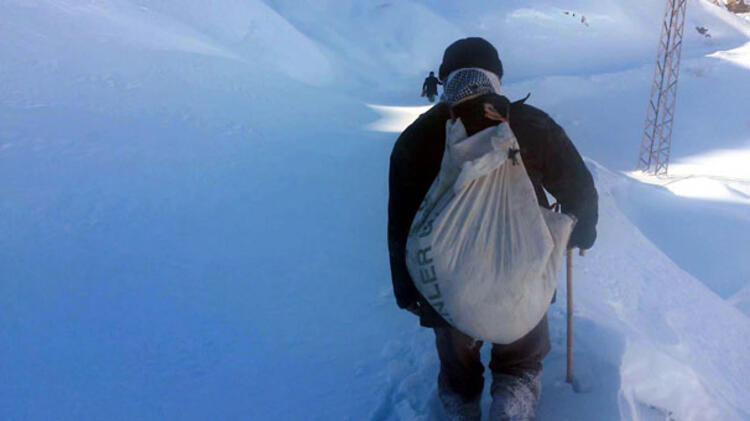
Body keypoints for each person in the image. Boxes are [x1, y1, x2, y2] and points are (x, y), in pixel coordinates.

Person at [387, 37, 598, 420]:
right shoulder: (530, 124)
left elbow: (401, 220)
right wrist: (583, 229)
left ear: (446, 78)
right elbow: (577, 184)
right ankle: (513, 399)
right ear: (496, 77)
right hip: (520, 264)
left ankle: (461, 401)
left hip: (447, 277)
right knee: (521, 345)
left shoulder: (417, 138)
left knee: (456, 354)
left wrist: (406, 287)